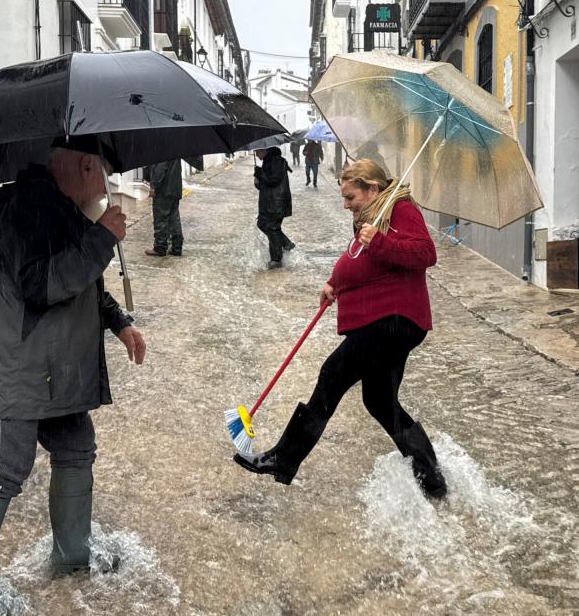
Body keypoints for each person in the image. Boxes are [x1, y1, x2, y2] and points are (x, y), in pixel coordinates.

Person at [0, 135, 147, 616]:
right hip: (13, 370)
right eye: (103, 171)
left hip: (56, 369)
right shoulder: (28, 209)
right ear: (85, 166)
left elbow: (82, 285)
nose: (107, 183)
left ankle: (72, 552)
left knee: (76, 448)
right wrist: (102, 238)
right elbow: (42, 284)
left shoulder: (63, 211)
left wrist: (120, 321)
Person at [233, 158, 446, 499]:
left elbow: (425, 253)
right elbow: (363, 263)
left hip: (392, 319)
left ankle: (283, 459)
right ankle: (431, 477)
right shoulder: (371, 216)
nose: (346, 204)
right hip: (386, 320)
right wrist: (336, 283)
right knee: (379, 401)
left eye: (351, 197)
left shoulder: (401, 209)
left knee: (332, 374)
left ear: (372, 189)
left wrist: (378, 240)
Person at [254, 146, 295, 269]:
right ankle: (285, 243)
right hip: (269, 203)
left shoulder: (276, 160)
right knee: (263, 224)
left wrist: (259, 173)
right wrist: (258, 181)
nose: (256, 154)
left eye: (257, 151)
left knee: (272, 228)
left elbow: (273, 180)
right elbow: (266, 185)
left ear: (265, 150)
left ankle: (276, 259)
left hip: (276, 203)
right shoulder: (268, 161)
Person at [144, 158, 184, 257]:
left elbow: (160, 168)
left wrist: (153, 186)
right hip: (174, 189)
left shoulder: (162, 147)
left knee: (160, 219)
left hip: (164, 190)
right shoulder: (174, 147)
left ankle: (160, 247)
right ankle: (177, 247)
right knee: (174, 219)